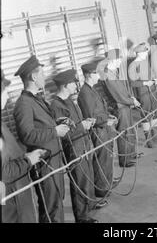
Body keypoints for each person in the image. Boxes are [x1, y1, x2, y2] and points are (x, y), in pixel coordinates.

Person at [13, 55, 70, 223]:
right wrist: (54, 131)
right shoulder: (23, 103)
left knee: (57, 202)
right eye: (42, 74)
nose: (45, 78)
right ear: (33, 77)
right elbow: (27, 135)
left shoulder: (35, 99)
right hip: (44, 163)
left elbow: (41, 125)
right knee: (50, 206)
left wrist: (57, 122)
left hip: (53, 159)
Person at [50, 69, 103, 223]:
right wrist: (82, 126)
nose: (76, 86)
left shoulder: (68, 101)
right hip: (73, 148)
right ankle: (81, 216)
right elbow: (65, 132)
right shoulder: (56, 105)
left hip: (83, 144)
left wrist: (86, 123)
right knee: (79, 181)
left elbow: (75, 122)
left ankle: (90, 203)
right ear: (65, 85)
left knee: (88, 177)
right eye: (74, 83)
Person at [1, 69, 46, 223]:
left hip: (18, 196)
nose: (7, 93)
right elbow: (4, 172)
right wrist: (28, 160)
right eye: (4, 89)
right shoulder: (23, 104)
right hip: (14, 202)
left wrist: (24, 155)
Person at [77, 62, 118, 194]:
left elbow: (100, 109)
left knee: (107, 156)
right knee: (102, 158)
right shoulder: (85, 93)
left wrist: (108, 115)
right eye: (96, 73)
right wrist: (106, 120)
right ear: (89, 75)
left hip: (104, 128)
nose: (99, 75)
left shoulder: (92, 89)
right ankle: (102, 188)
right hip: (98, 131)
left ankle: (108, 180)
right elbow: (91, 116)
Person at [102, 49, 140, 168]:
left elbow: (124, 88)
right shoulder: (108, 75)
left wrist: (131, 98)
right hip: (120, 107)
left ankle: (131, 154)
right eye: (119, 59)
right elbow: (117, 94)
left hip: (126, 105)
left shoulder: (114, 71)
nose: (120, 61)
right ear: (112, 60)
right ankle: (125, 160)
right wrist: (131, 101)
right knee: (124, 132)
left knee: (130, 130)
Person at [128, 43, 157, 148]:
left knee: (154, 111)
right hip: (143, 93)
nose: (146, 53)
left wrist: (156, 78)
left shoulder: (145, 61)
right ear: (139, 53)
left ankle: (155, 135)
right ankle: (148, 139)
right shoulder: (133, 65)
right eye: (145, 52)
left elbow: (152, 73)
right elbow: (132, 83)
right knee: (146, 115)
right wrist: (145, 83)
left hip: (153, 90)